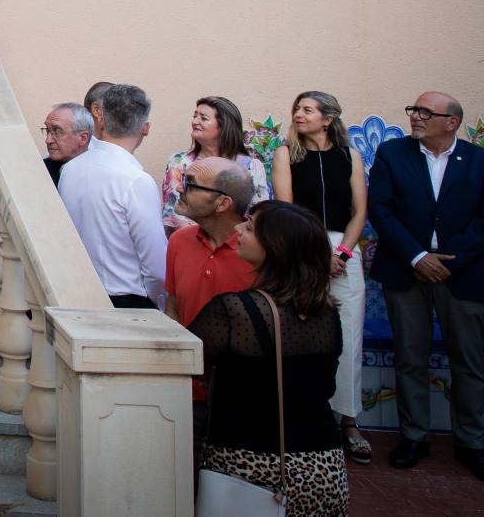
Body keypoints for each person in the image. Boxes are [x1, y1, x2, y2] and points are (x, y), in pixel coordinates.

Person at [190, 200, 349, 513]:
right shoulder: (327, 313)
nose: (238, 229)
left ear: (274, 248)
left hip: (250, 468)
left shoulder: (233, 311)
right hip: (324, 467)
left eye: (249, 228)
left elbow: (182, 363)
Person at [367, 91, 484, 478]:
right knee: (410, 357)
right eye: (413, 110)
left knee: (469, 361)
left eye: (425, 112)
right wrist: (418, 257)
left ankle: (472, 441)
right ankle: (414, 436)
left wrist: (450, 260)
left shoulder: (478, 160)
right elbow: (380, 209)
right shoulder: (392, 154)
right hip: (406, 270)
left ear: (451, 122)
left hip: (462, 273)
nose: (415, 117)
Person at [271, 90, 370, 465]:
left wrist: (342, 252)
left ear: (327, 119)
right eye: (296, 108)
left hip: (344, 250)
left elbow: (359, 210)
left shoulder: (350, 156)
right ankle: (306, 415)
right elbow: (287, 207)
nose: (299, 114)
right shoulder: (286, 154)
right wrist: (317, 254)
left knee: (350, 334)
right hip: (301, 249)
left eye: (307, 110)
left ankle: (348, 420)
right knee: (301, 330)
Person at [58, 83, 167, 308]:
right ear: (145, 128)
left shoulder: (71, 169)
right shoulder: (137, 181)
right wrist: (161, 304)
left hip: (77, 296)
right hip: (125, 299)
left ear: (101, 119)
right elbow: (156, 266)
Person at [160, 96, 272, 237]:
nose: (195, 121)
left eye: (203, 118)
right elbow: (173, 209)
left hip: (236, 245)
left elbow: (259, 212)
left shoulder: (252, 167)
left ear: (224, 126)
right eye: (195, 116)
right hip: (189, 241)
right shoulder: (178, 162)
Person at [166, 158, 255, 327]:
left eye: (189, 184)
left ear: (222, 203)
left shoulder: (258, 252)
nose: (179, 188)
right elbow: (173, 310)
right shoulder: (179, 240)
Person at [41, 102, 95, 187]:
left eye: (58, 132)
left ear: (83, 138)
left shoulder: (98, 174)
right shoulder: (41, 170)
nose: (48, 140)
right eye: (47, 130)